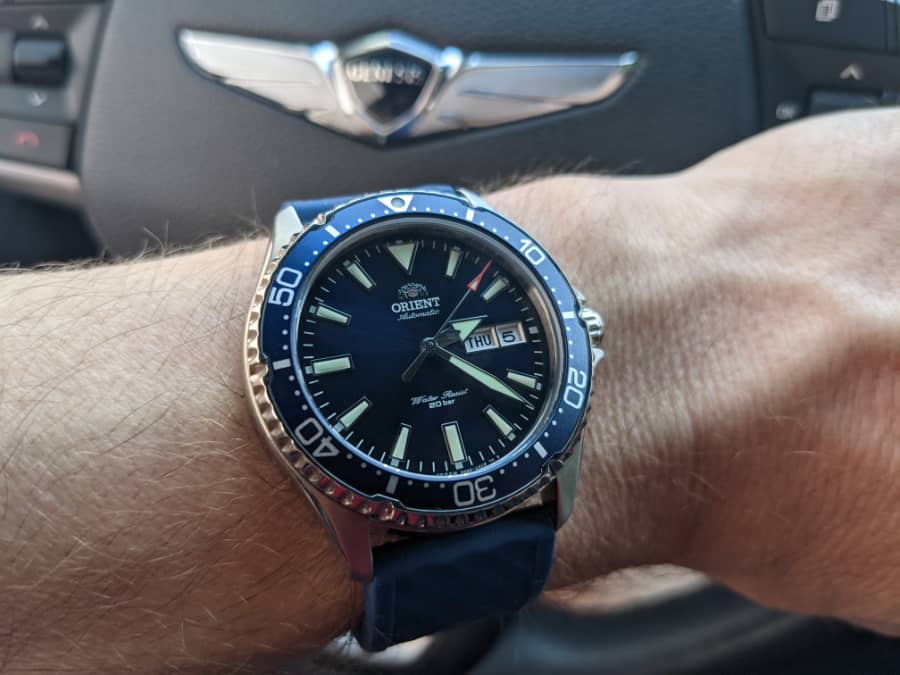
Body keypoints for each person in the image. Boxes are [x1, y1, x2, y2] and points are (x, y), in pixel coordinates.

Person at [0, 108, 897, 673]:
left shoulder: (547, 342)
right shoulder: (310, 342)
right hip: (387, 484)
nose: (436, 346)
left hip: (487, 461)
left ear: (580, 330)